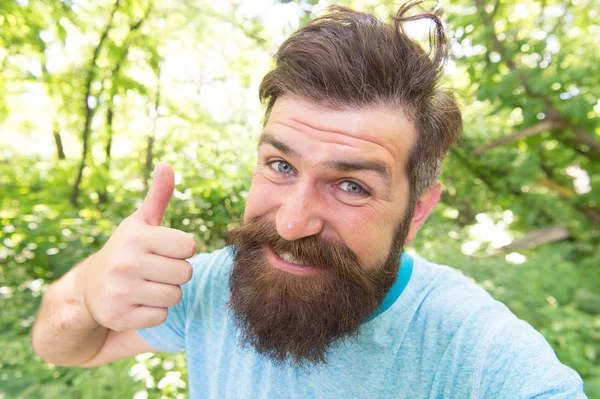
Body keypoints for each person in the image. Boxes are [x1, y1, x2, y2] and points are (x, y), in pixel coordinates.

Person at [32, 3, 586, 398]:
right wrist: (83, 291)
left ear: (417, 211)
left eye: (352, 186)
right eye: (280, 165)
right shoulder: (212, 285)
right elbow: (67, 348)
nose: (293, 222)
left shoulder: (472, 350)